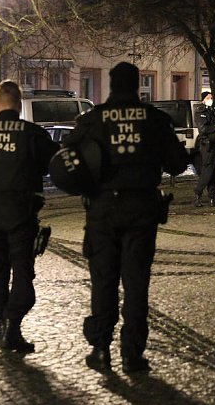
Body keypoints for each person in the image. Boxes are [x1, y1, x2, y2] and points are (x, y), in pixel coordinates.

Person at [62, 62, 188, 373]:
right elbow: (177, 164)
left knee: (103, 281)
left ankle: (101, 349)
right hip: (142, 211)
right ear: (136, 86)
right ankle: (132, 354)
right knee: (136, 285)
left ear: (111, 85)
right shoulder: (155, 120)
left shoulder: (92, 120)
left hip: (103, 212)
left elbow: (66, 161)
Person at [0, 80, 59, 353]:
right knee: (23, 273)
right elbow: (53, 166)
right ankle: (12, 325)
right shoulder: (33, 134)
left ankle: (2, 326)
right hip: (23, 213)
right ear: (19, 105)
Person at [193, 91, 215, 207]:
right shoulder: (201, 111)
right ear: (203, 99)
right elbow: (203, 129)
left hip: (213, 144)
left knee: (213, 172)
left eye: (211, 97)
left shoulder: (211, 111)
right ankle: (197, 194)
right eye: (208, 97)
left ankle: (213, 198)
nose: (211, 99)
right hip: (206, 145)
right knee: (207, 172)